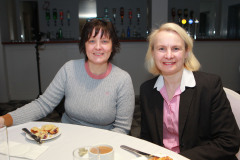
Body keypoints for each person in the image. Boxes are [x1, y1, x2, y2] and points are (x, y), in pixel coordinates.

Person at [0, 18, 135, 134]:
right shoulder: (69, 69)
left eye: (104, 41)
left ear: (113, 46)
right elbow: (43, 104)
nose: (98, 47)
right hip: (67, 139)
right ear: (84, 45)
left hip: (103, 146)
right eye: (92, 41)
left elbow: (121, 129)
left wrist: (98, 149)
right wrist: (5, 119)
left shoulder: (122, 79)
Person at [140, 22, 240, 160]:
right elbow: (146, 139)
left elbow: (229, 141)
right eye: (161, 49)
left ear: (187, 52)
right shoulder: (146, 90)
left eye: (176, 48)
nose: (168, 55)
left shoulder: (210, 86)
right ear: (153, 53)